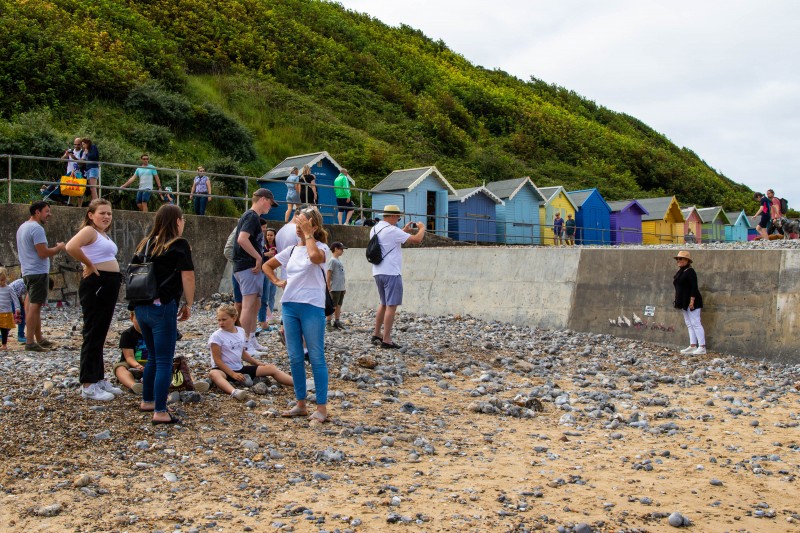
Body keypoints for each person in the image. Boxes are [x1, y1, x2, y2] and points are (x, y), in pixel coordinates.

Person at [263, 207, 331, 423]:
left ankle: (321, 408)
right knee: (294, 356)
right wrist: (277, 281)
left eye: (303, 223)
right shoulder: (291, 250)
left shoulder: (322, 247)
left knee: (316, 356)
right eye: (298, 223)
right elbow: (267, 266)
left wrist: (308, 234)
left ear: (314, 226)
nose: (298, 227)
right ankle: (300, 403)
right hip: (290, 306)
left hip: (312, 306)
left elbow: (313, 257)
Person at [131, 204, 195, 425]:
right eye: (182, 219)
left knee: (153, 357)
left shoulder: (146, 243)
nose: (183, 222)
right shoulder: (178, 244)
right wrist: (189, 302)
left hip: (142, 306)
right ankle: (160, 410)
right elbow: (187, 276)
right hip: (163, 307)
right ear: (177, 221)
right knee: (165, 360)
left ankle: (148, 400)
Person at [65, 199, 124, 401]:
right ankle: (88, 384)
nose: (106, 217)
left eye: (109, 213)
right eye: (102, 213)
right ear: (91, 215)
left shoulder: (102, 234)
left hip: (108, 284)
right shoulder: (89, 231)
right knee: (93, 332)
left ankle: (98, 378)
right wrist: (89, 264)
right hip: (97, 284)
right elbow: (71, 246)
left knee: (100, 332)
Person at [208, 304, 293, 401]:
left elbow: (243, 353)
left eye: (224, 319)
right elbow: (217, 360)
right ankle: (234, 392)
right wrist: (232, 374)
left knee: (271, 368)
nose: (221, 323)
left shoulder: (240, 331)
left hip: (239, 368)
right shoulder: (216, 336)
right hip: (222, 369)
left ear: (234, 318)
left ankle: (300, 384)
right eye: (219, 320)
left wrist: (257, 363)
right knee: (214, 373)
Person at [369, 205, 426, 349]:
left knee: (383, 303)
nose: (398, 220)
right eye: (398, 217)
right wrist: (422, 228)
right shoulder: (393, 231)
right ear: (393, 216)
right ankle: (387, 339)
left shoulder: (375, 228)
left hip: (378, 271)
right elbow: (417, 239)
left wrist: (404, 231)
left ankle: (376, 333)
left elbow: (390, 240)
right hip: (391, 272)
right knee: (391, 305)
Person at [115, 311, 209, 395]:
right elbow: (129, 357)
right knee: (119, 368)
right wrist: (136, 365)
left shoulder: (156, 331)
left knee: (178, 365)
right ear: (132, 318)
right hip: (133, 364)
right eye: (139, 318)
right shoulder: (127, 334)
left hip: (154, 362)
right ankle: (134, 385)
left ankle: (191, 382)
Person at [233, 189, 279, 355]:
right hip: (247, 266)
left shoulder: (252, 217)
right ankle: (244, 345)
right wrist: (258, 258)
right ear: (262, 199)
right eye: (270, 203)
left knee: (255, 304)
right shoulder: (252, 216)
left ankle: (251, 339)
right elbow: (242, 239)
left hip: (249, 267)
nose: (270, 207)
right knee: (248, 304)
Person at [16, 201, 65, 352]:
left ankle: (39, 338)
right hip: (37, 272)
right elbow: (43, 253)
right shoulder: (37, 229)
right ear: (37, 212)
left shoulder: (23, 227)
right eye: (47, 211)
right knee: (35, 306)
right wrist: (59, 247)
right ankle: (30, 342)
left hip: (28, 271)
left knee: (33, 305)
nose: (49, 214)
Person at [673, 251, 706, 355]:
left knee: (696, 323)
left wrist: (692, 301)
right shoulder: (681, 271)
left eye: (681, 259)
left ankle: (702, 346)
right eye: (677, 259)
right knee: (689, 323)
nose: (678, 261)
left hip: (692, 302)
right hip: (683, 301)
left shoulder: (690, 271)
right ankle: (692, 345)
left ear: (687, 260)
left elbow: (694, 287)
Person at [258, 225, 278, 330]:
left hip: (274, 272)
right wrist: (267, 254)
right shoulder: (263, 246)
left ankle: (270, 315)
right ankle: (265, 316)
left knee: (272, 294)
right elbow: (259, 256)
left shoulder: (277, 247)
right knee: (265, 294)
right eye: (268, 235)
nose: (269, 237)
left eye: (271, 235)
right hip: (265, 272)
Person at [327, 242, 347, 328]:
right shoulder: (332, 260)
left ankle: (337, 321)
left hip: (340, 287)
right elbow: (328, 273)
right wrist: (328, 286)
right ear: (336, 249)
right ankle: (328, 322)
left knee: (339, 305)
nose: (343, 251)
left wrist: (343, 287)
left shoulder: (338, 260)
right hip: (334, 287)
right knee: (332, 306)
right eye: (341, 249)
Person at [0, 268, 17, 350]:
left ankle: (4, 345)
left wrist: (17, 308)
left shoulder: (9, 288)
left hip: (6, 312)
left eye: (2, 280)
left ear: (5, 279)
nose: (1, 282)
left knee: (4, 329)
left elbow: (15, 299)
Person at [8, 278, 27, 344]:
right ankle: (20, 335)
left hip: (12, 297)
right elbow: (17, 295)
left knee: (17, 316)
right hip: (11, 298)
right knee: (18, 316)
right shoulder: (27, 283)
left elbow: (19, 294)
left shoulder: (24, 281)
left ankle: (4, 334)